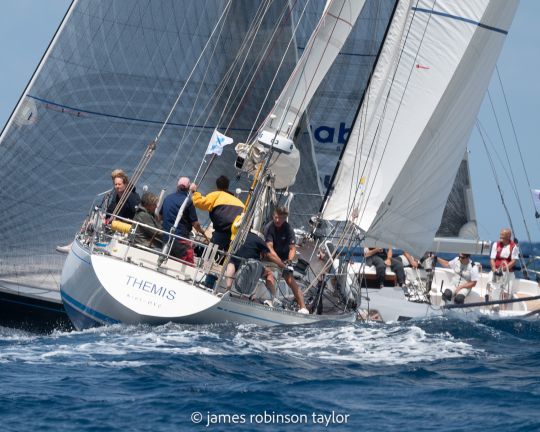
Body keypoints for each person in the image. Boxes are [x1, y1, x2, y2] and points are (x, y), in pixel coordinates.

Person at [264, 206, 308, 314]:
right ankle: (271, 300)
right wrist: (280, 263)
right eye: (276, 217)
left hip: (284, 260)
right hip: (270, 258)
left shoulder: (288, 229)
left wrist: (289, 260)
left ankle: (303, 307)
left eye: (281, 218)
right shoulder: (269, 227)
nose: (278, 220)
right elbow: (269, 248)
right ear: (273, 216)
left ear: (285, 218)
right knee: (271, 273)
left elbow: (292, 248)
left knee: (290, 279)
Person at [225, 231, 284, 305]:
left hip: (238, 261)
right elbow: (268, 255)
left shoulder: (241, 235)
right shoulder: (260, 241)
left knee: (231, 262)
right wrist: (282, 265)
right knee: (269, 273)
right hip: (251, 264)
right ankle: (271, 299)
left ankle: (227, 289)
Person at [161, 177, 208, 264]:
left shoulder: (167, 198)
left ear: (177, 186)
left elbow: (160, 217)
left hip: (165, 238)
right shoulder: (188, 202)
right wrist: (202, 231)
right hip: (180, 240)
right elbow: (195, 224)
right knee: (189, 264)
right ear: (188, 188)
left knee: (169, 261)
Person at [190, 175, 244, 250]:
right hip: (235, 234)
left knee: (212, 252)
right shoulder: (240, 202)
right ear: (227, 186)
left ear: (217, 185)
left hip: (221, 232)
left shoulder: (216, 195)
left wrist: (194, 192)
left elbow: (199, 203)